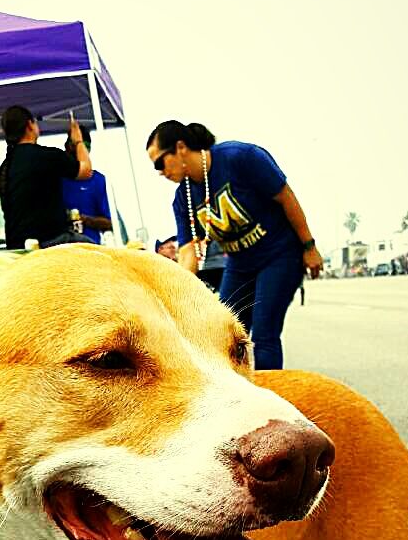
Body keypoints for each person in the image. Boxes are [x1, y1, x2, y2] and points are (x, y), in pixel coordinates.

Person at [146, 120, 323, 369]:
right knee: (222, 334)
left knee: (263, 334)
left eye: (159, 162)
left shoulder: (240, 158)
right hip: (240, 265)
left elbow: (286, 197)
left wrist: (309, 246)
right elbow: (189, 252)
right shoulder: (183, 198)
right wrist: (173, 294)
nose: (160, 172)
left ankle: (271, 397)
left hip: (279, 256)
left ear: (180, 147)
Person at [0, 105, 92, 249]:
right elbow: (86, 170)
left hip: (17, 246)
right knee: (99, 253)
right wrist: (78, 141)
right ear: (30, 125)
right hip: (52, 242)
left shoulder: (7, 166)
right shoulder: (49, 156)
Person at [61, 127, 112, 244]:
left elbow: (109, 223)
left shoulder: (98, 180)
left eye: (81, 147)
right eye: (72, 146)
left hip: (90, 249)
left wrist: (83, 219)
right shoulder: (55, 179)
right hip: (61, 250)